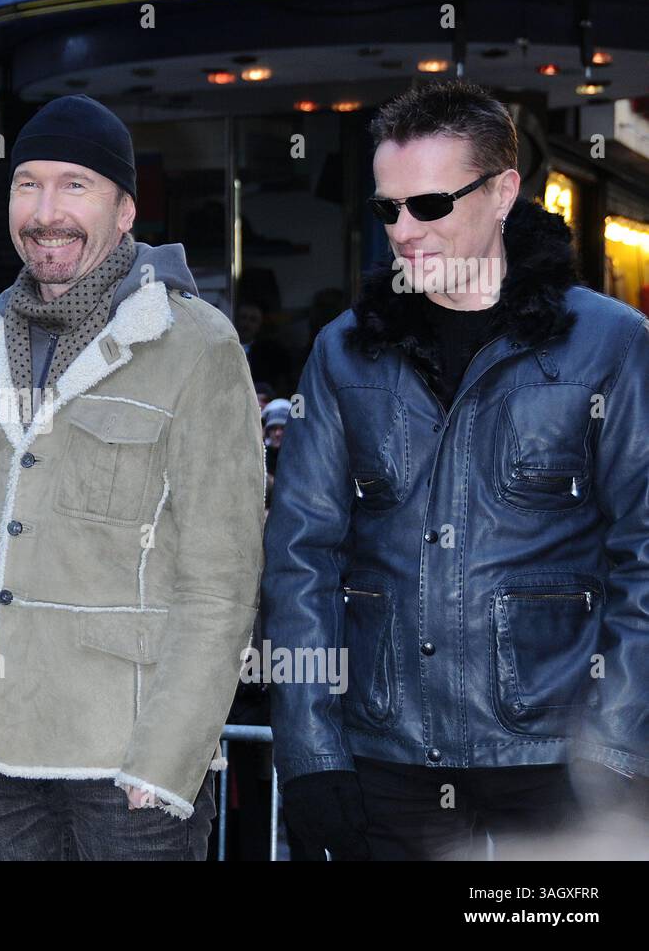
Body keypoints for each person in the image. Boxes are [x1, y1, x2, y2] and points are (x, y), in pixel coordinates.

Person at [263, 80, 648, 861]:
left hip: (556, 768)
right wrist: (309, 750)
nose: (403, 230)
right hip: (385, 762)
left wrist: (616, 748)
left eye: (430, 205)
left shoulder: (610, 344)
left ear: (504, 190)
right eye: (387, 209)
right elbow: (300, 559)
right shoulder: (343, 352)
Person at [0, 95, 265, 860]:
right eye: (27, 185)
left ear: (126, 209)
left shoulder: (197, 346)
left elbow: (222, 581)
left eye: (75, 186)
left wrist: (168, 758)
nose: (46, 212)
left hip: (128, 765)